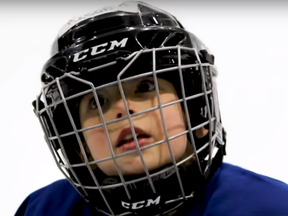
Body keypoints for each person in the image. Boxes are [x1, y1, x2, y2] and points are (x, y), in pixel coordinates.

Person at [15, 1, 288, 216]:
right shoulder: (43, 210)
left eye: (145, 87)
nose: (123, 109)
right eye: (97, 102)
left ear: (194, 110)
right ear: (78, 146)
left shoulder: (270, 207)